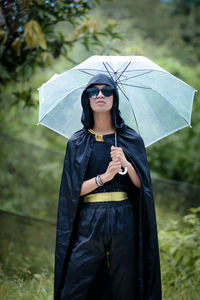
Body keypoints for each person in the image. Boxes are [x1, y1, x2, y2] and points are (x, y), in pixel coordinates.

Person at [54, 73, 162, 300]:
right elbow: (71, 191)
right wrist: (104, 177)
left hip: (124, 216)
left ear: (115, 97)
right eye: (94, 91)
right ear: (87, 99)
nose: (100, 95)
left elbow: (143, 186)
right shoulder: (77, 142)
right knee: (74, 287)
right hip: (89, 219)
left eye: (107, 91)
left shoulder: (131, 139)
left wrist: (126, 164)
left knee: (126, 286)